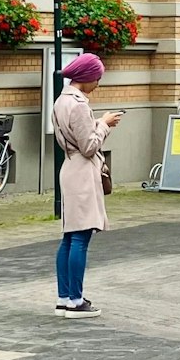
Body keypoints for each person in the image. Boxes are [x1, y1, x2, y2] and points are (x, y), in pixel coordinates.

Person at [53, 53, 121, 318]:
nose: (98, 84)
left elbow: (76, 135)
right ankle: (76, 301)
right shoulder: (79, 104)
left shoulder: (61, 100)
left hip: (70, 167)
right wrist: (104, 125)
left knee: (69, 237)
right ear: (87, 77)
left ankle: (63, 297)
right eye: (98, 78)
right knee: (81, 236)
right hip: (81, 171)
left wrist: (96, 124)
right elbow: (90, 145)